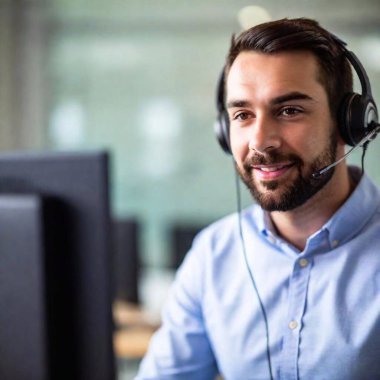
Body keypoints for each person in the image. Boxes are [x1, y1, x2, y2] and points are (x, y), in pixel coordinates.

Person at [136, 18, 380, 380]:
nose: (260, 141)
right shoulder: (214, 255)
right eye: (243, 115)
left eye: (289, 111)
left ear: (348, 124)